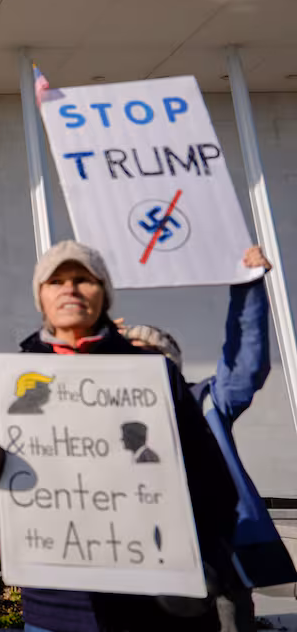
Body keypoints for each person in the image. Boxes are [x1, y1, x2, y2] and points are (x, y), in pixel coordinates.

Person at [0, 240, 239, 632]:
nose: (70, 288)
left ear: (105, 294)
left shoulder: (153, 373)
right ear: (41, 297)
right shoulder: (15, 379)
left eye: (84, 279)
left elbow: (211, 479)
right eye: (56, 281)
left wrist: (204, 562)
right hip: (56, 606)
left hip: (152, 601)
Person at [120, 245, 296, 632]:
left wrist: (246, 290)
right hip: (134, 564)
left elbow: (245, 363)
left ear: (172, 365)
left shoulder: (206, 403)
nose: (139, 363)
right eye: (128, 355)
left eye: (151, 354)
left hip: (216, 563)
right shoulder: (106, 416)